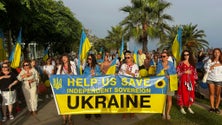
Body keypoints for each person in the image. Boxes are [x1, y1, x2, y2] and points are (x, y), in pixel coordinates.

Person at [118, 50, 139, 119]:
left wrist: (129, 73)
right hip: (124, 85)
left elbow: (137, 76)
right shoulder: (123, 65)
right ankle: (124, 113)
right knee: (124, 99)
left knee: (132, 99)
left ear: (132, 58)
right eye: (126, 58)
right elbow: (119, 74)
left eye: (128, 57)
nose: (127, 59)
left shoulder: (135, 66)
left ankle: (132, 112)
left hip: (132, 85)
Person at [156, 52, 177, 120]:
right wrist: (163, 69)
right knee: (163, 99)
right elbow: (156, 74)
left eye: (164, 56)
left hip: (170, 83)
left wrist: (170, 76)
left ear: (167, 57)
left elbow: (175, 74)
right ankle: (163, 113)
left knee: (169, 99)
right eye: (162, 56)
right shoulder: (159, 64)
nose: (163, 58)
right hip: (162, 84)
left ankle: (168, 113)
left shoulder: (171, 64)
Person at [56, 54, 77, 125]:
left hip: (71, 87)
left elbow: (76, 76)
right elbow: (57, 76)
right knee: (63, 103)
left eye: (65, 57)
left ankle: (70, 118)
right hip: (63, 88)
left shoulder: (72, 65)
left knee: (70, 103)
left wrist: (72, 75)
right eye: (63, 58)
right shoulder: (60, 67)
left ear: (68, 58)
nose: (64, 59)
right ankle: (64, 119)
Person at [176, 50, 198, 114]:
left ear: (189, 55)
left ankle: (189, 107)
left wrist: (194, 80)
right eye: (184, 55)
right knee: (182, 92)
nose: (186, 56)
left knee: (191, 93)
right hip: (183, 80)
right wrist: (184, 72)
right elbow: (177, 73)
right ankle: (181, 107)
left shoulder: (192, 63)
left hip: (191, 81)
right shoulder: (180, 63)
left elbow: (195, 72)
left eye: (187, 54)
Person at [83, 54, 102, 120]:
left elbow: (100, 74)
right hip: (88, 86)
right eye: (88, 59)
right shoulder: (86, 67)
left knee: (96, 100)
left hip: (95, 86)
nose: (89, 60)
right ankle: (88, 114)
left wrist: (95, 74)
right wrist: (89, 74)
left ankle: (97, 114)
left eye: (90, 59)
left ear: (93, 59)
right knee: (88, 101)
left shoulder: (96, 66)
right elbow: (83, 75)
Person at [204, 48, 222, 113]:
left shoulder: (221, 61)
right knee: (211, 93)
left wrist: (219, 65)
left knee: (218, 94)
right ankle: (212, 107)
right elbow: (206, 68)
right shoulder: (210, 60)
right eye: (215, 52)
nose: (216, 53)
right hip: (210, 79)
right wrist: (213, 66)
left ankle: (216, 107)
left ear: (220, 53)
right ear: (213, 53)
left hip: (219, 79)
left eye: (218, 52)